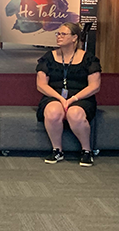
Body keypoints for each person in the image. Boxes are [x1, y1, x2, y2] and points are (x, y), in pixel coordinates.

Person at [36, 22, 101, 166]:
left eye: (63, 34)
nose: (59, 37)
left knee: (75, 114)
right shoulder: (49, 57)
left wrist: (73, 99)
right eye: (58, 34)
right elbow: (41, 84)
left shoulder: (88, 59)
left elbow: (95, 86)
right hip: (54, 95)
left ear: (74, 38)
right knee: (53, 112)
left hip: (81, 97)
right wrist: (60, 98)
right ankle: (57, 150)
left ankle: (86, 150)